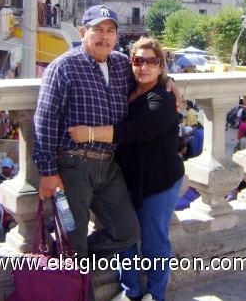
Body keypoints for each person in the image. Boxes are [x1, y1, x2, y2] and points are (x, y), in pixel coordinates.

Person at [33, 4, 142, 301]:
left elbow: (148, 78)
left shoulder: (121, 64)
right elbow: (44, 119)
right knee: (73, 235)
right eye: (98, 30)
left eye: (110, 31)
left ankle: (69, 253)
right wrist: (47, 171)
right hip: (71, 169)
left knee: (128, 231)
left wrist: (168, 82)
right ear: (83, 32)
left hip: (108, 168)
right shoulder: (63, 66)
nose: (104, 37)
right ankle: (73, 259)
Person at [68, 37, 184, 301]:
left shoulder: (163, 99)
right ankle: (131, 292)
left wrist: (89, 134)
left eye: (151, 61)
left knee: (154, 242)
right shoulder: (128, 86)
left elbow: (135, 131)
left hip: (158, 181)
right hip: (125, 179)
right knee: (125, 240)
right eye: (138, 60)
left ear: (161, 65)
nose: (144, 67)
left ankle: (155, 295)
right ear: (131, 62)